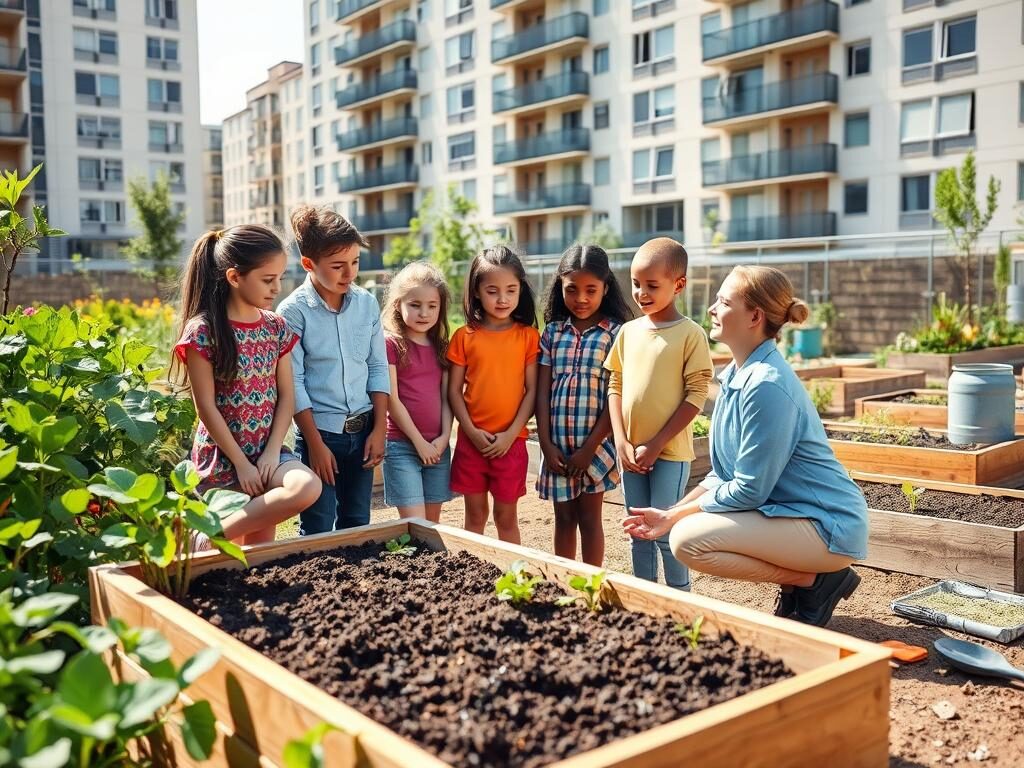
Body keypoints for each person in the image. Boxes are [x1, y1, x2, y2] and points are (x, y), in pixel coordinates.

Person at [623, 266, 868, 627]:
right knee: (681, 528)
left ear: (754, 316)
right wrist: (671, 510)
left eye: (723, 301)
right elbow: (723, 474)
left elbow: (749, 490)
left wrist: (674, 518)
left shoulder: (766, 385)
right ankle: (805, 586)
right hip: (790, 515)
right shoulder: (738, 375)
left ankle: (815, 581)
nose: (711, 309)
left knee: (687, 539)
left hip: (828, 526)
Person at [172, 226, 321, 546]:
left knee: (307, 486)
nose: (276, 288)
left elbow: (286, 396)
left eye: (279, 278)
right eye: (268, 280)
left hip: (267, 453)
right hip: (223, 460)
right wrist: (242, 464)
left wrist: (270, 453)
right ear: (234, 277)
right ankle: (208, 541)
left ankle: (206, 537)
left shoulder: (276, 328)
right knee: (238, 565)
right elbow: (205, 408)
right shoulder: (203, 331)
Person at [605, 238, 713, 590]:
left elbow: (696, 395)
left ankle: (681, 598)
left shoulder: (690, 334)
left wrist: (655, 443)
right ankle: (645, 595)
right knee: (637, 529)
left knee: (665, 530)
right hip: (630, 454)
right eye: (637, 284)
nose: (641, 293)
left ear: (678, 285)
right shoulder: (628, 332)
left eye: (653, 285)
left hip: (668, 454)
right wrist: (621, 441)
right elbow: (615, 385)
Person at [278, 206, 389, 535]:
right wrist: (315, 444)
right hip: (320, 436)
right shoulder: (293, 311)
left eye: (355, 262)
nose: (349, 273)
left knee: (357, 523)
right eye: (338, 266)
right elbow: (294, 383)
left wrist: (379, 428)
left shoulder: (367, 303)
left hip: (365, 431)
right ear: (309, 264)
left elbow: (377, 366)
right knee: (318, 525)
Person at [535, 244, 631, 566]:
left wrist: (590, 447)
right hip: (558, 448)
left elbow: (615, 395)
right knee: (563, 520)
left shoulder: (616, 334)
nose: (581, 298)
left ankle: (590, 584)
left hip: (596, 447)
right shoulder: (552, 333)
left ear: (606, 287)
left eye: (591, 289)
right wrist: (546, 444)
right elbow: (542, 391)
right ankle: (564, 585)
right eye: (572, 289)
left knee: (590, 520)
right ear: (560, 287)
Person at [447, 245, 540, 543]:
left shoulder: (527, 336)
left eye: (511, 290)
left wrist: (511, 434)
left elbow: (532, 390)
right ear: (476, 291)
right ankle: (472, 577)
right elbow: (454, 391)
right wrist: (472, 432)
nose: (503, 299)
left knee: (506, 518)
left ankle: (513, 579)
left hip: (511, 444)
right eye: (492, 291)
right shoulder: (464, 336)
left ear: (520, 290)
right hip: (471, 444)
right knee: (474, 517)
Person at [380, 261, 454, 522]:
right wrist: (419, 442)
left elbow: (447, 399)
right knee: (415, 526)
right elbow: (392, 400)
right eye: (415, 305)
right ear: (398, 305)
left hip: (437, 446)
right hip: (402, 445)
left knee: (433, 527)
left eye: (432, 306)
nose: (424, 313)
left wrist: (444, 437)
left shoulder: (442, 347)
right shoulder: (391, 344)